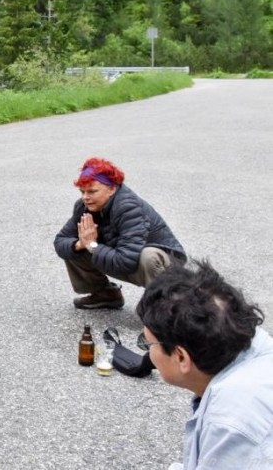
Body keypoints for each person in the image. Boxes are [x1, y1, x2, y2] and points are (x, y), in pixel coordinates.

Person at [136, 261, 273, 470]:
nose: (148, 352)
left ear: (181, 357)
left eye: (149, 343)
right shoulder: (255, 346)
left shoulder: (231, 421)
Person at [53, 157, 185, 309]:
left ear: (112, 188)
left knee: (148, 256)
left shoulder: (128, 207)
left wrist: (92, 245)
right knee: (75, 245)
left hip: (165, 263)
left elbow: (125, 262)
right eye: (82, 192)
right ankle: (105, 294)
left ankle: (165, 310)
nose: (85, 197)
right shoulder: (84, 206)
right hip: (122, 255)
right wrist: (80, 244)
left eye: (92, 191)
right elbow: (61, 240)